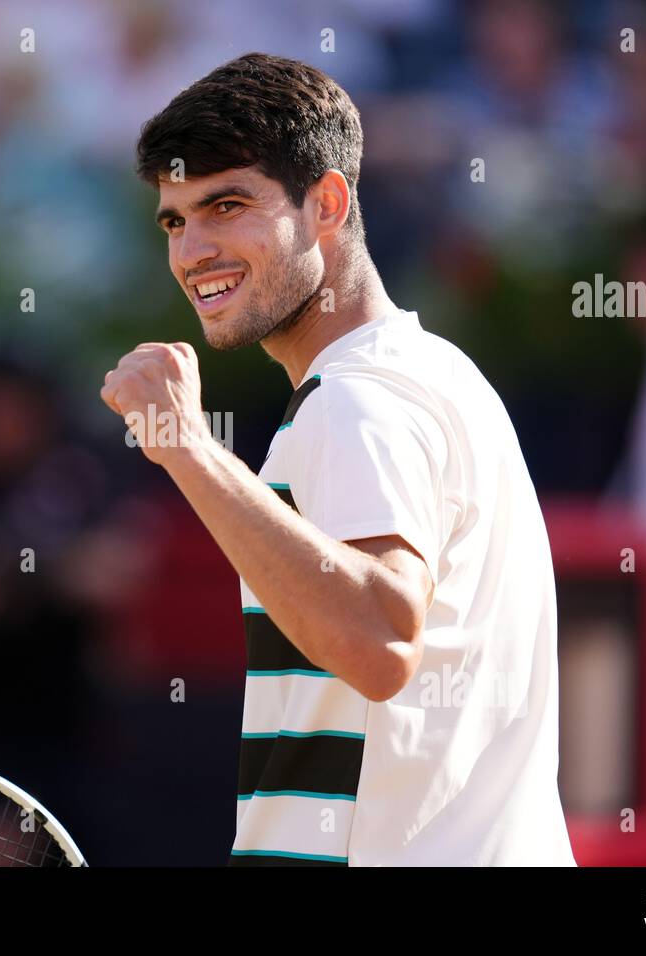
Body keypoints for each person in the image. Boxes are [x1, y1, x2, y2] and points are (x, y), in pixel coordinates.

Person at [100, 53, 575, 865]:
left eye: (227, 204)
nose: (193, 251)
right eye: (175, 220)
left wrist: (187, 448)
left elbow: (380, 641)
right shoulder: (430, 374)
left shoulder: (360, 399)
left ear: (328, 203)